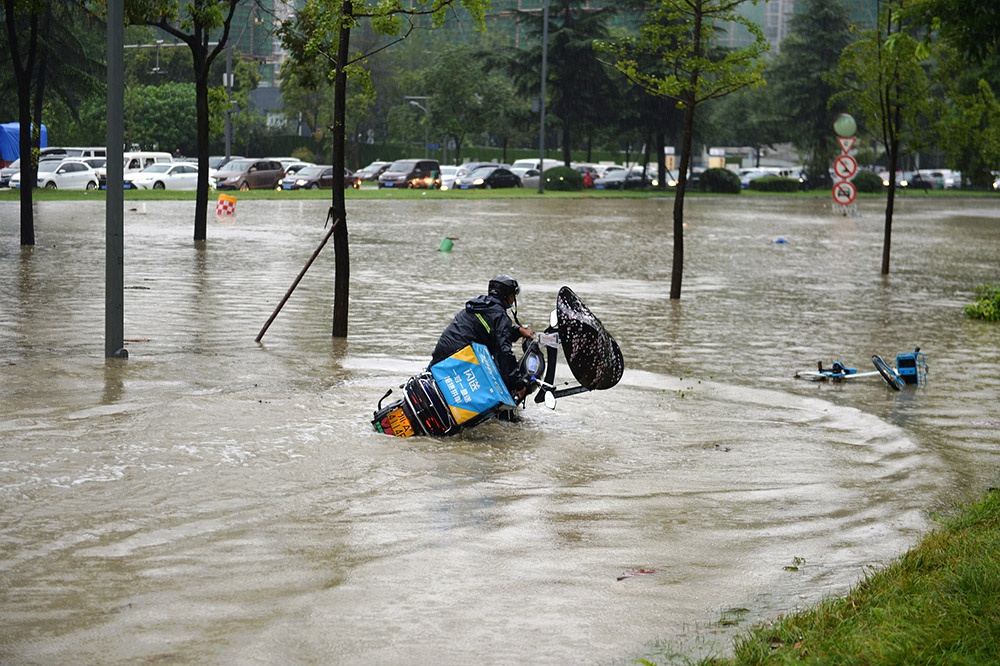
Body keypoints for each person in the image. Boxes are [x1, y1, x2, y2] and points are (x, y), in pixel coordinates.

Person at [430, 275, 534, 401]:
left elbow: (492, 334)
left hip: (441, 355)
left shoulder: (478, 305)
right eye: (513, 295)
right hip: (460, 359)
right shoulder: (500, 317)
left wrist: (517, 331)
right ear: (506, 296)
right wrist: (518, 384)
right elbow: (504, 352)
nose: (513, 299)